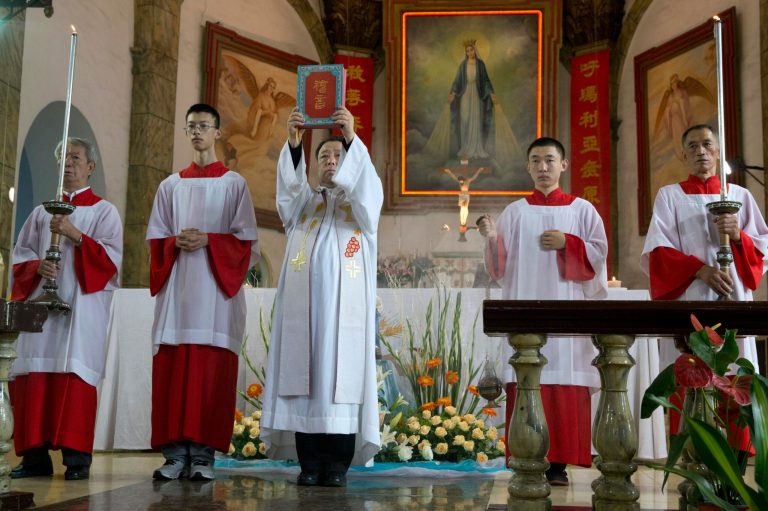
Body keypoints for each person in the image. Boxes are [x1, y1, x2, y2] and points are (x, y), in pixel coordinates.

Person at [260, 106, 383, 488]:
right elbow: (288, 195)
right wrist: (295, 145)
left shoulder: (360, 209)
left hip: (343, 319)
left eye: (337, 156)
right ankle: (309, 464)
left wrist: (349, 137)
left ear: (349, 163)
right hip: (304, 317)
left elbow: (367, 189)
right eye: (324, 157)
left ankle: (337, 466)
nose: (330, 162)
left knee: (339, 385)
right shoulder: (305, 206)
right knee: (306, 385)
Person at [477, 137, 608, 486]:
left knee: (563, 378)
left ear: (563, 165)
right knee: (529, 378)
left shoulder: (582, 210)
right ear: (528, 167)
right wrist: (491, 239)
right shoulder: (515, 212)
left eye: (550, 160)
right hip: (526, 309)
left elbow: (599, 255)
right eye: (536, 160)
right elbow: (498, 268)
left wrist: (570, 243)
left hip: (567, 314)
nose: (543, 167)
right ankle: (526, 454)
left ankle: (559, 463)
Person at [147, 103, 259, 481]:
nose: (196, 132)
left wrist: (210, 241)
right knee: (175, 370)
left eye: (204, 125)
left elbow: (247, 243)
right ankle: (174, 454)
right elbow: (154, 238)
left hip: (215, 296)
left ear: (218, 131)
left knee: (209, 374)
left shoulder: (234, 184)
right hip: (177, 293)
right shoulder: (170, 185)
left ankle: (204, 456)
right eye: (191, 126)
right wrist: (172, 242)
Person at [641, 124, 768, 441]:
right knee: (691, 371)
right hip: (691, 297)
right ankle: (692, 451)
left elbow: (762, 252)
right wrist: (701, 270)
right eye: (693, 146)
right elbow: (658, 252)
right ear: (683, 154)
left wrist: (738, 235)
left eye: (707, 144)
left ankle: (736, 455)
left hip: (732, 296)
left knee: (734, 371)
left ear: (718, 150)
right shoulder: (670, 196)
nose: (701, 151)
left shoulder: (739, 196)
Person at [9, 137, 123, 481]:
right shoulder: (40, 212)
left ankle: (76, 458)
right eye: (62, 158)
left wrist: (75, 234)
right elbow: (20, 256)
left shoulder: (105, 212)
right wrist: (37, 267)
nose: (68, 164)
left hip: (81, 310)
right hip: (40, 309)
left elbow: (111, 263)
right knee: (34, 376)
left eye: (75, 158)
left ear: (91, 166)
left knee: (74, 376)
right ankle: (33, 458)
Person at [449, 39, 496, 160]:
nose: (470, 52)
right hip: (465, 93)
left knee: (476, 119)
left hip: (477, 93)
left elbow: (486, 80)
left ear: (475, 50)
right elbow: (458, 81)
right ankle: (465, 147)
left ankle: (476, 148)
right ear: (466, 52)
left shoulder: (480, 64)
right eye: (467, 51)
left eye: (471, 50)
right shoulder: (462, 65)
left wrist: (491, 93)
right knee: (465, 118)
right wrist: (453, 93)